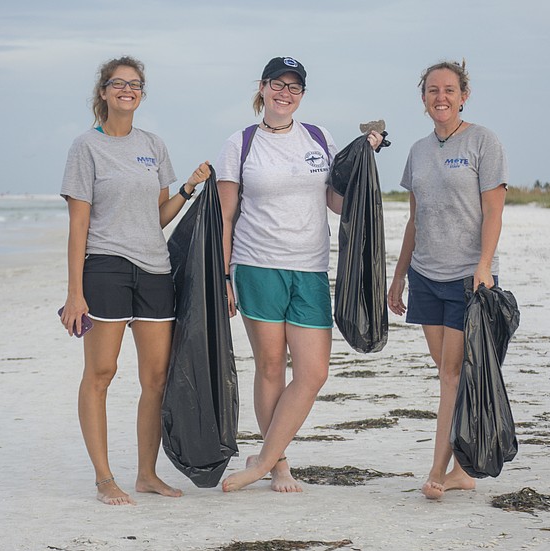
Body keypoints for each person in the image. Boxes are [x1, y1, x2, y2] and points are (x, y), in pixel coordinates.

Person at [215, 56, 383, 492]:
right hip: (257, 266)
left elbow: (335, 202)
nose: (285, 94)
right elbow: (225, 217)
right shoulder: (241, 143)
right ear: (263, 87)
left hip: (310, 268)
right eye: (278, 85)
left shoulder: (319, 137)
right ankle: (279, 464)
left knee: (313, 373)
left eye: (294, 88)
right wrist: (224, 277)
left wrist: (363, 161)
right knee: (271, 367)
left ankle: (262, 459)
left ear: (302, 95)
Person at [59, 56, 211, 505]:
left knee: (157, 378)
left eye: (136, 84)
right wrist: (74, 293)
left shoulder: (153, 145)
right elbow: (78, 226)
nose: (128, 89)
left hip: (154, 269)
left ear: (142, 94)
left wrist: (186, 190)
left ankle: (146, 473)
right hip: (104, 267)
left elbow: (157, 217)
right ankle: (105, 478)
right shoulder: (85, 147)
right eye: (119, 83)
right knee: (102, 372)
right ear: (103, 92)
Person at [387, 59, 508, 500]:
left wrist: (484, 265)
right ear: (423, 99)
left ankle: (440, 469)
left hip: (466, 279)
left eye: (450, 90)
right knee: (448, 372)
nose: (441, 97)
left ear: (464, 95)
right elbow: (415, 219)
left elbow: (494, 211)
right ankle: (464, 467)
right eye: (433, 91)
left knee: (453, 376)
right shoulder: (418, 151)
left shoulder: (483, 142)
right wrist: (398, 276)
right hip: (425, 275)